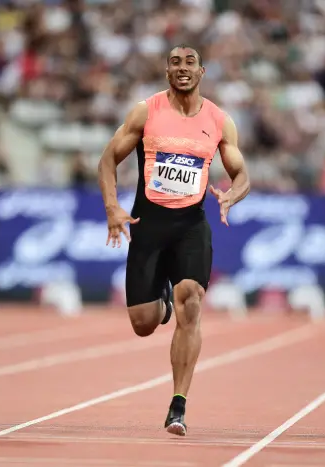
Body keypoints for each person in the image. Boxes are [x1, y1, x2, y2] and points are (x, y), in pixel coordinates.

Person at [98, 44, 250, 436]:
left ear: (203, 71)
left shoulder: (219, 120)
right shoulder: (146, 111)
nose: (182, 69)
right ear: (167, 71)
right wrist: (113, 208)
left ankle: (178, 404)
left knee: (193, 303)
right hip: (148, 225)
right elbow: (107, 160)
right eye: (175, 63)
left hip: (190, 226)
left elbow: (241, 172)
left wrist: (234, 192)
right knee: (143, 323)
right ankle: (161, 306)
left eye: (190, 63)